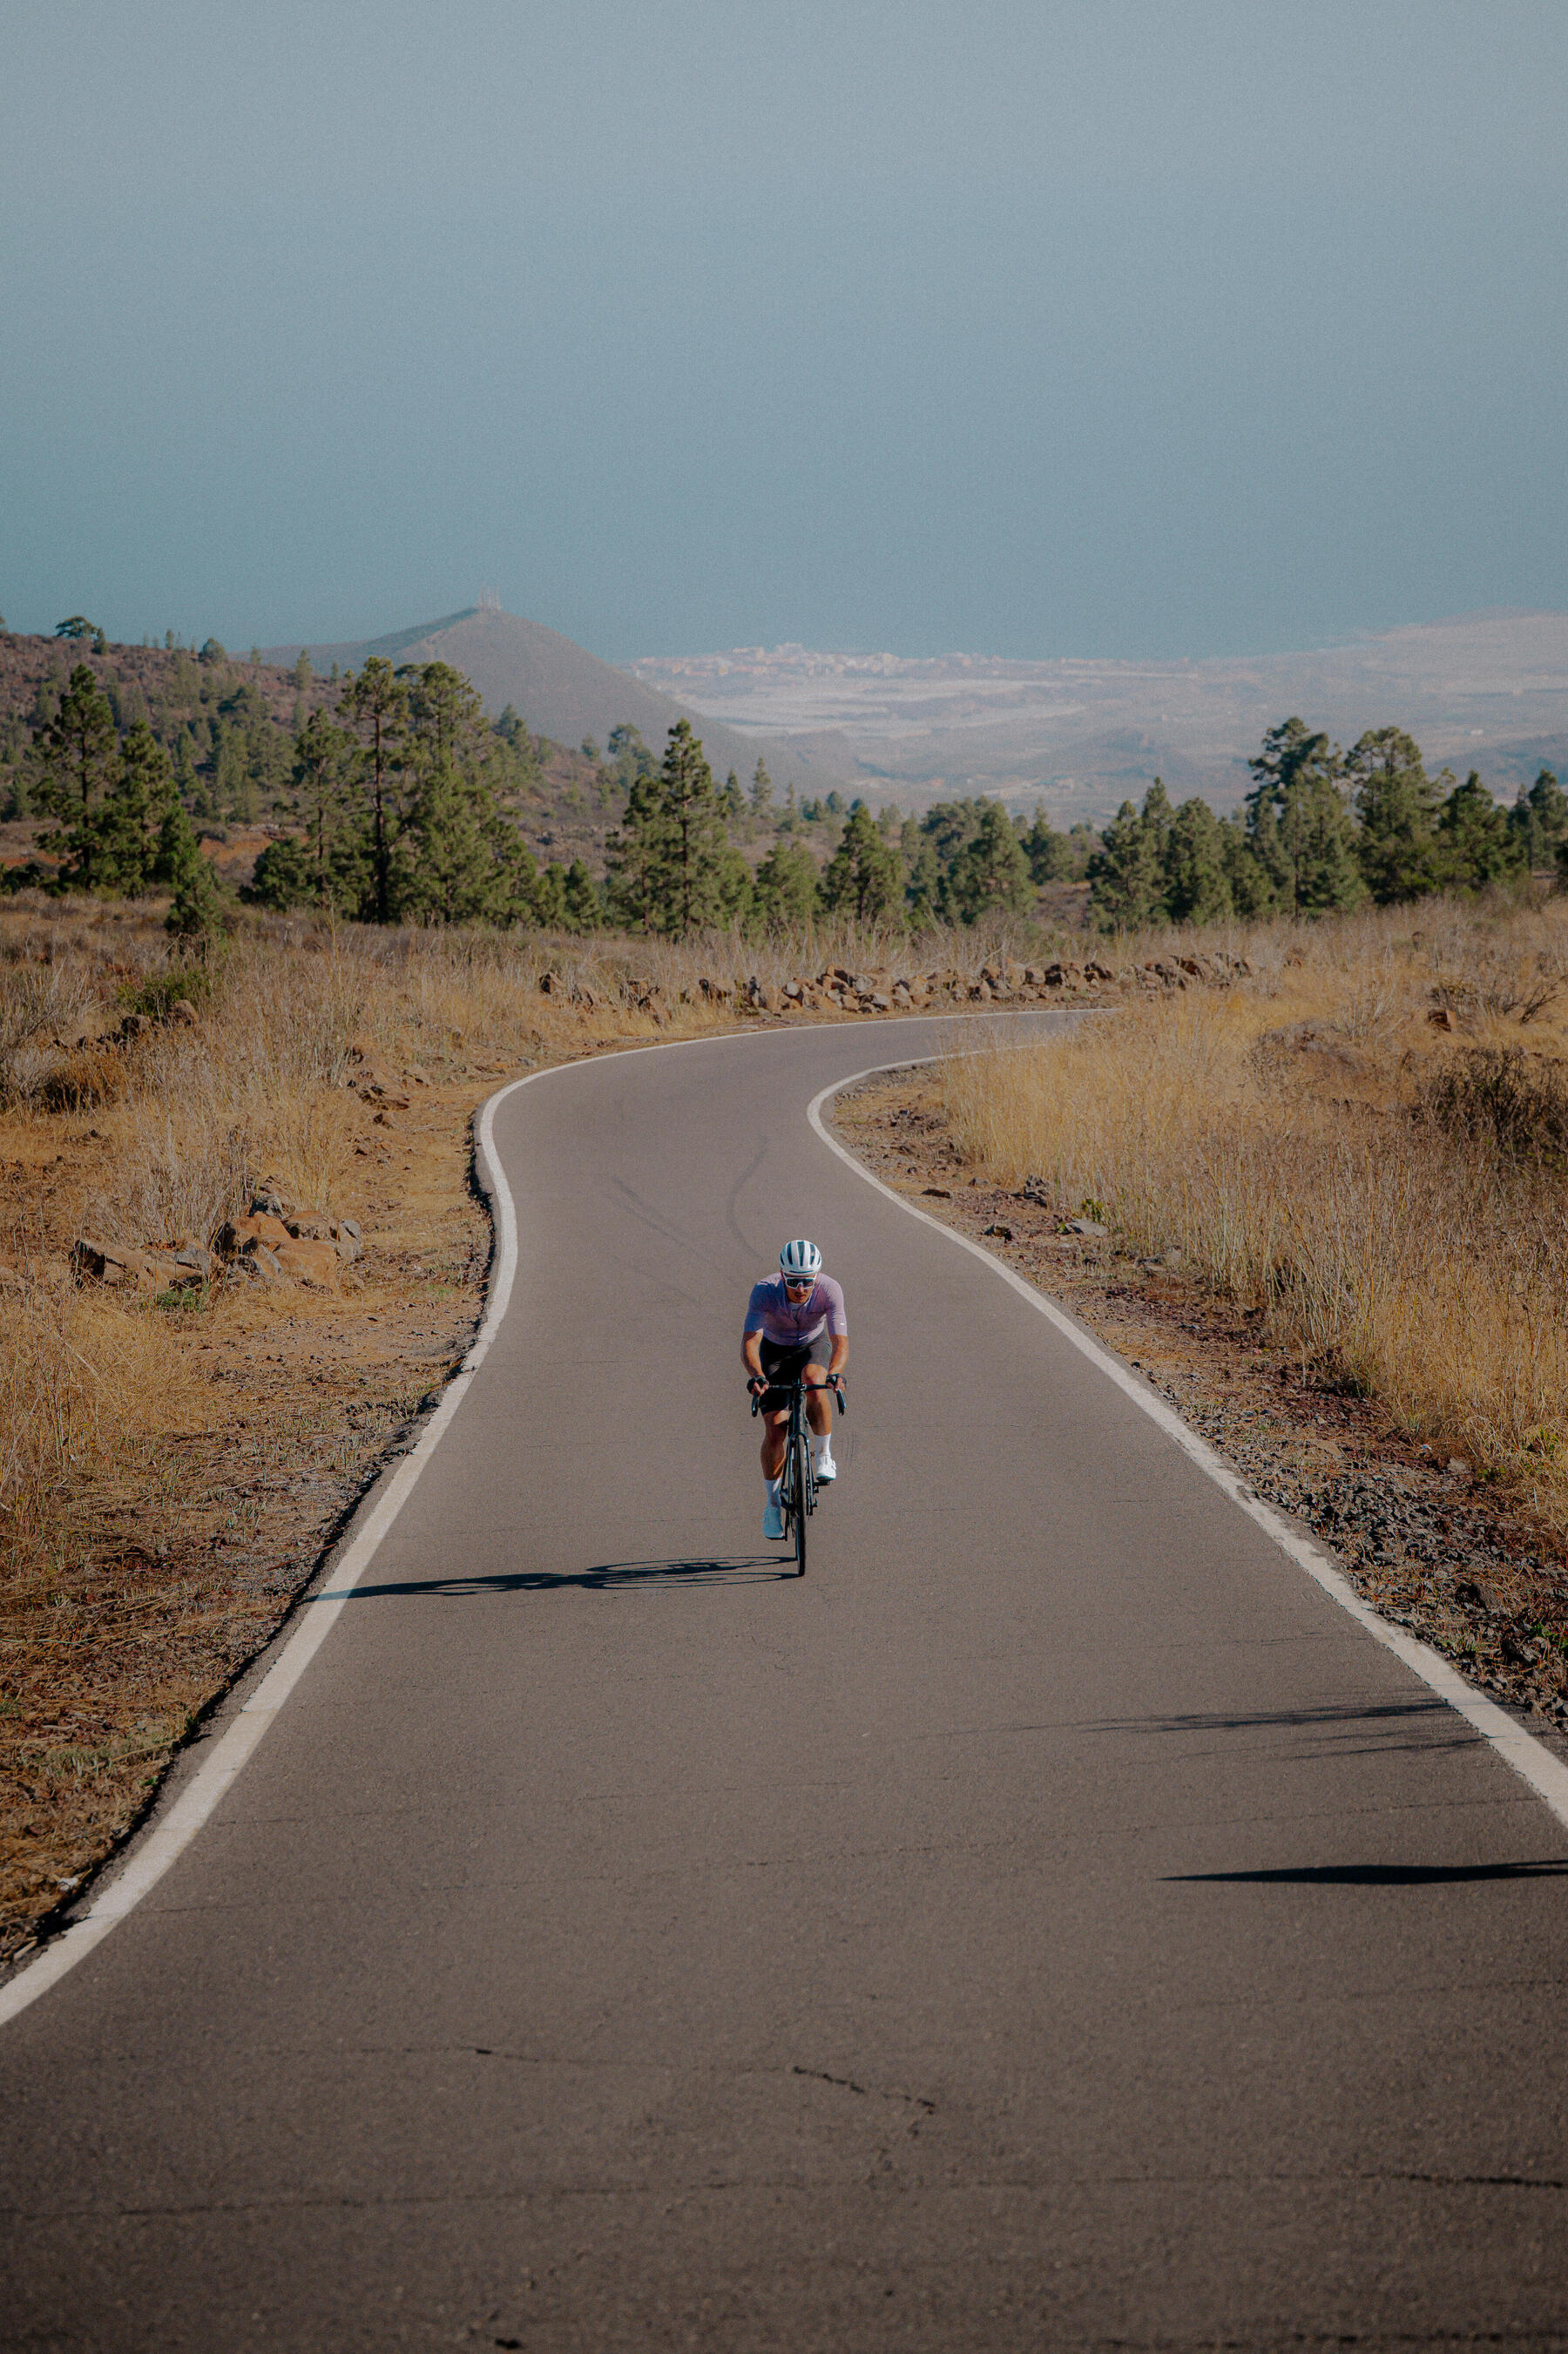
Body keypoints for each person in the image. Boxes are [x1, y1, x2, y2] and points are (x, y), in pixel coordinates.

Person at [742, 1238, 848, 1540]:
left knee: (815, 1382)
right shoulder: (764, 1290)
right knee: (775, 1429)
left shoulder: (830, 1289)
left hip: (812, 1345)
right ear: (781, 1274)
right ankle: (772, 1505)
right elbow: (750, 1342)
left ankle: (824, 1454)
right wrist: (757, 1375)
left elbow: (840, 1341)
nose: (800, 1288)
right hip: (774, 1351)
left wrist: (836, 1372)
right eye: (793, 1281)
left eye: (807, 1281)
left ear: (817, 1276)